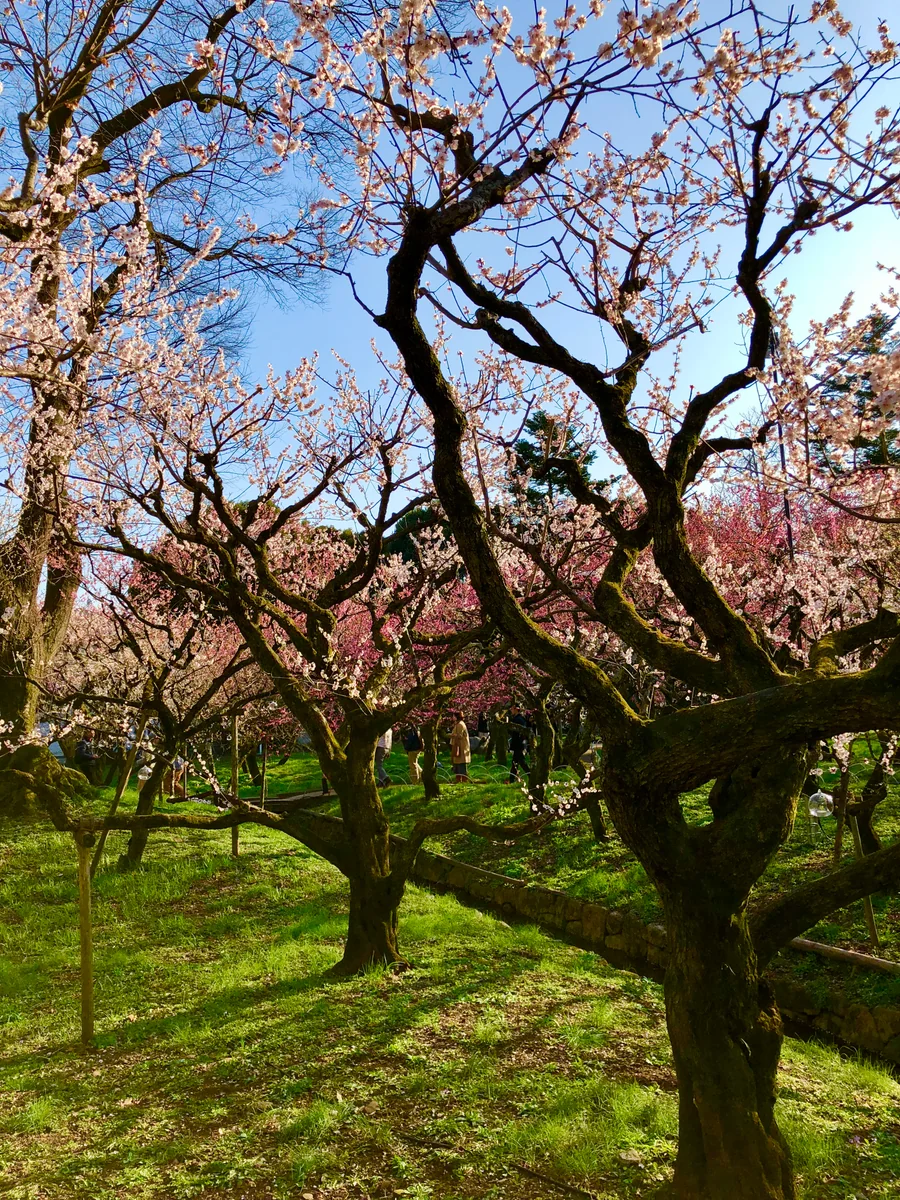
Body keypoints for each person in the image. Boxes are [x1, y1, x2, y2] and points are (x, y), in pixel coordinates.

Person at [507, 704, 530, 784]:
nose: (511, 710)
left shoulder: (519, 719)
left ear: (516, 709)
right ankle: (512, 780)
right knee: (515, 763)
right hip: (518, 744)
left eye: (512, 709)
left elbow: (519, 732)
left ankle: (531, 776)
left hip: (518, 744)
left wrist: (508, 725)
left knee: (521, 762)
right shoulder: (518, 719)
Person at [449, 711, 471, 783]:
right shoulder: (458, 724)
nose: (452, 717)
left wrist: (449, 735)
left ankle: (464, 780)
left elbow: (459, 735)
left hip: (460, 747)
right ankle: (458, 780)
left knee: (461, 765)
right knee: (457, 764)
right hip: (459, 746)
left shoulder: (460, 725)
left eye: (453, 716)